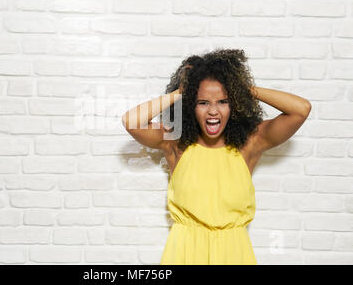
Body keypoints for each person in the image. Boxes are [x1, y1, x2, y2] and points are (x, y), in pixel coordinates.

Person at [121, 48, 312, 265]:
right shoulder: (176, 143)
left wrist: (241, 88)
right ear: (190, 106)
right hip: (184, 252)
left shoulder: (249, 144)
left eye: (223, 101)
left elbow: (301, 109)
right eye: (203, 102)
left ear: (235, 104)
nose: (213, 111)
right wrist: (181, 91)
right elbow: (131, 121)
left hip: (234, 252)